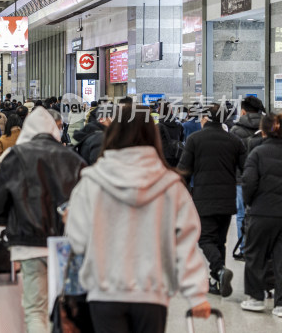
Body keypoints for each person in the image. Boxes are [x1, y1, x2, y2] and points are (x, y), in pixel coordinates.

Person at [65, 104, 212, 332]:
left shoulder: (91, 182)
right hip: (152, 293)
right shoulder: (171, 185)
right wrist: (195, 293)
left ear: (113, 132)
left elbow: (76, 240)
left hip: (104, 290)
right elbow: (185, 243)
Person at [0, 107, 86, 333]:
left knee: (35, 309)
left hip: (28, 244)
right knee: (67, 307)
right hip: (66, 245)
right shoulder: (73, 159)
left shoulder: (15, 156)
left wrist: (5, 221)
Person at [177, 104, 247, 297]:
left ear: (205, 119)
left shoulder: (194, 139)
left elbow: (183, 170)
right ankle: (217, 281)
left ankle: (219, 270)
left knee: (204, 238)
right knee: (219, 241)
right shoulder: (235, 140)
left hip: (203, 198)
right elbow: (246, 169)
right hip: (227, 198)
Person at [240, 112, 282, 316]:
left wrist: (250, 203)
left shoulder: (257, 153)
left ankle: (256, 298)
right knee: (281, 258)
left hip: (262, 212)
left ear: (263, 130)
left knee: (255, 254)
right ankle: (281, 305)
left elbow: (248, 182)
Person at [230, 95, 266, 260]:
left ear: (243, 111)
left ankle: (244, 249)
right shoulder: (268, 128)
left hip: (241, 179)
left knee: (242, 215)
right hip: (264, 178)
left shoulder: (235, 131)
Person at [156, 101, 185, 167]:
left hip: (163, 155)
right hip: (177, 154)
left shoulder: (158, 126)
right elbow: (182, 139)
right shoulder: (179, 125)